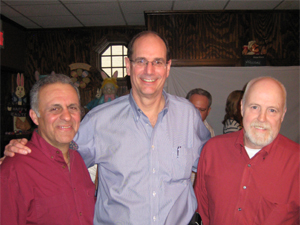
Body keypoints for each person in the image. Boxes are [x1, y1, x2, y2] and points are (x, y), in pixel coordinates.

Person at [4, 31, 211, 225]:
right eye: (141, 61)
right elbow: (59, 156)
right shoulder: (99, 121)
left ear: (167, 67)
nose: (149, 70)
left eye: (157, 62)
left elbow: (212, 163)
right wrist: (20, 154)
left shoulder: (188, 116)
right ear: (128, 66)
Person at [194, 77, 299, 225]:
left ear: (283, 114)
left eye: (272, 110)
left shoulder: (296, 162)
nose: (262, 118)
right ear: (242, 107)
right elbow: (202, 212)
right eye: (255, 107)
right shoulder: (212, 150)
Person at [0, 74, 95, 225]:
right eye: (55, 108)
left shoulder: (78, 159)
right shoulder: (14, 168)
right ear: (35, 116)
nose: (67, 116)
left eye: (72, 107)